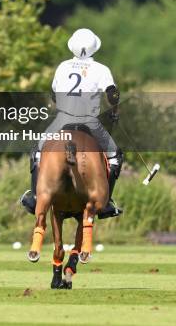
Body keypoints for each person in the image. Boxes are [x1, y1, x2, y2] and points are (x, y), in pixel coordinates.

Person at [20, 28, 123, 219]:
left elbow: (54, 94)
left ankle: (35, 197)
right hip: (90, 122)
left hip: (62, 120)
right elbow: (112, 94)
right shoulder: (102, 69)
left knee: (36, 151)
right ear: (94, 48)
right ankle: (106, 202)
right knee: (115, 156)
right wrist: (115, 110)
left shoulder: (63, 67)